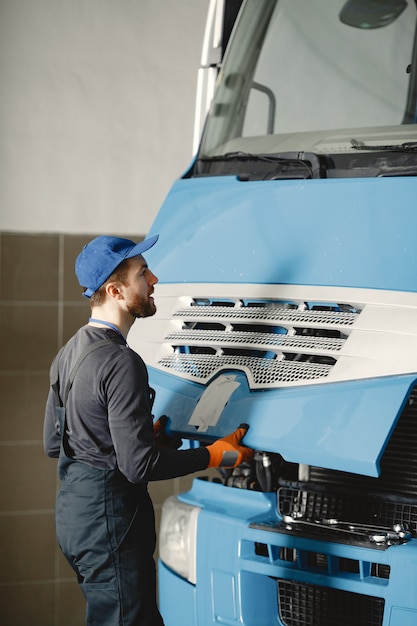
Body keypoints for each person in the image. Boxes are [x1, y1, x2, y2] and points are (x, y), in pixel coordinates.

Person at [43, 235, 254, 626]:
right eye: (143, 273)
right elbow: (138, 467)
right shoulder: (120, 361)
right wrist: (212, 454)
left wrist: (143, 438)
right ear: (116, 290)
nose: (154, 279)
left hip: (74, 519)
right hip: (110, 524)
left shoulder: (70, 351)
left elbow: (56, 442)